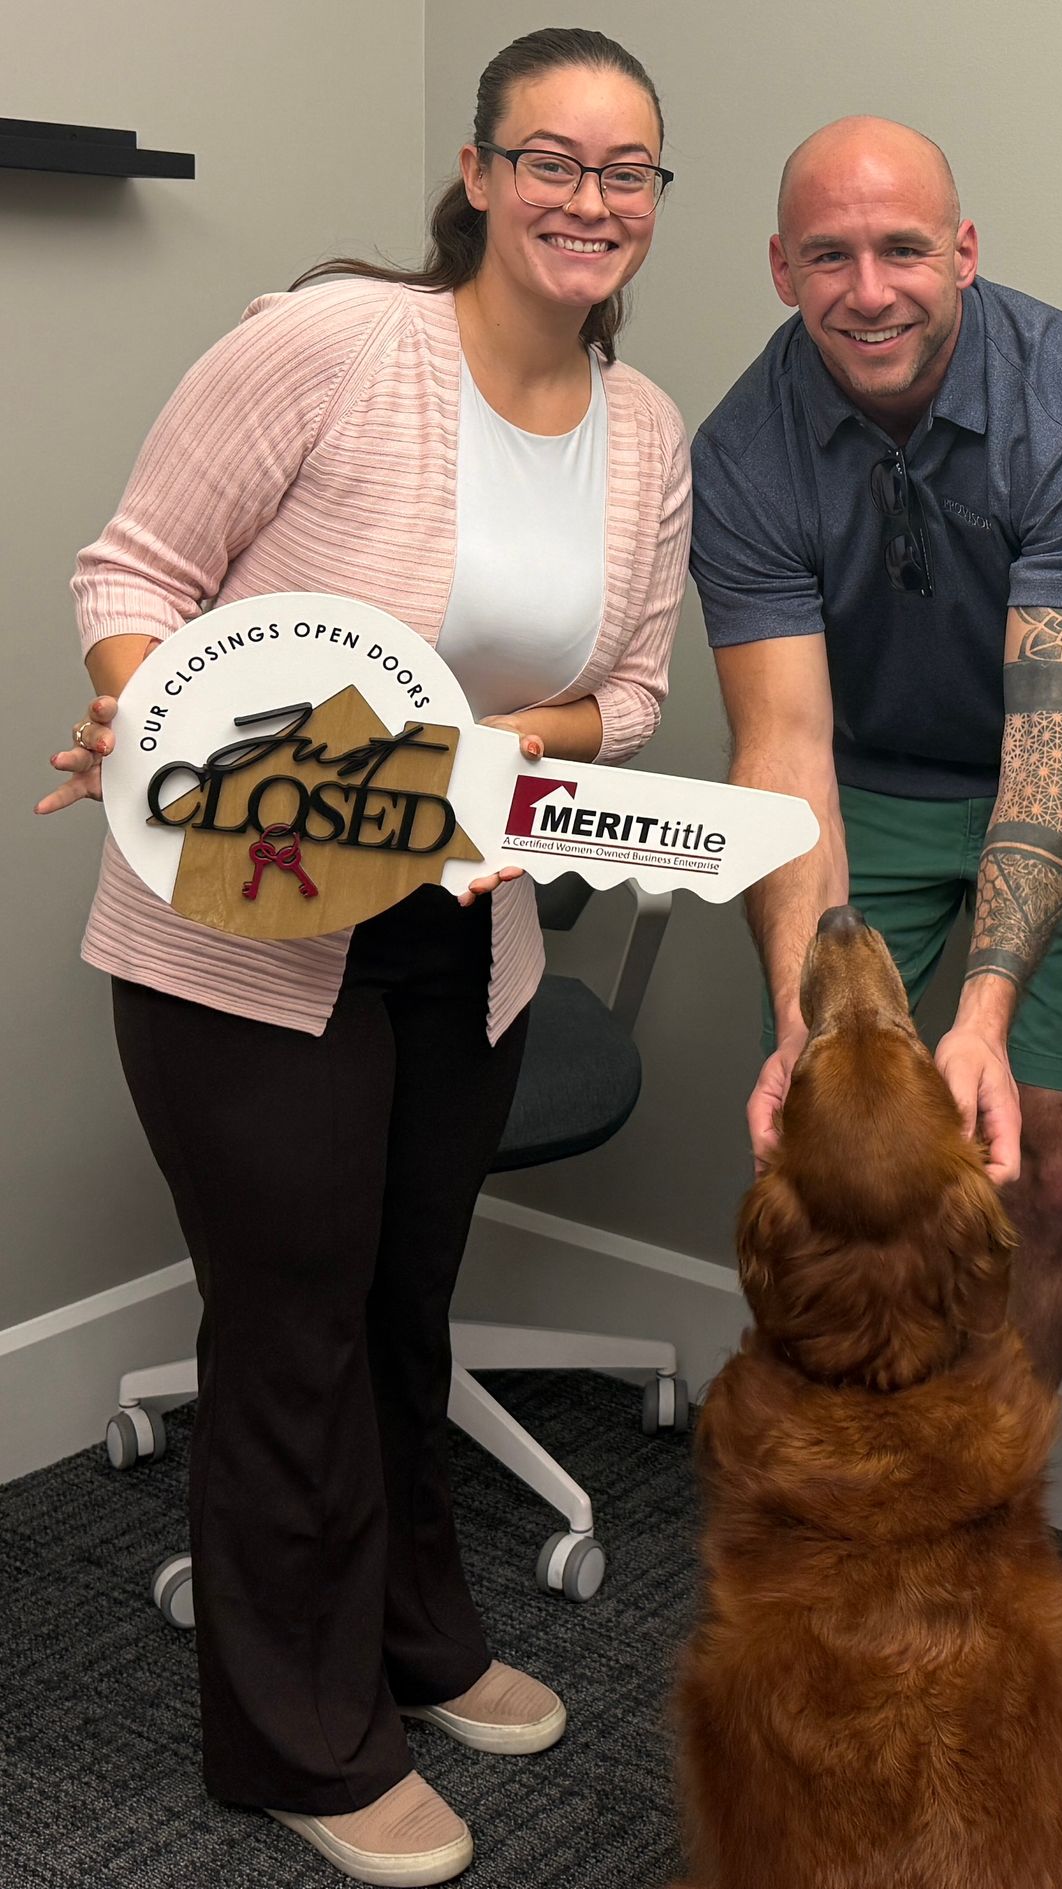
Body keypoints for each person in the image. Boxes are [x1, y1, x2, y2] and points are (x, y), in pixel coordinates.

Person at [35, 28, 689, 1884]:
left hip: (464, 931)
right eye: (551, 157)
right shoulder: (334, 342)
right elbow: (132, 573)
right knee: (296, 1323)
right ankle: (303, 1738)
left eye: (628, 169)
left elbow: (628, 692)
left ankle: (413, 1631)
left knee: (405, 1298)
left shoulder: (641, 430)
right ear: (478, 173)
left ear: (656, 203)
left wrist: (477, 754)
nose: (590, 196)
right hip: (247, 930)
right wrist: (171, 725)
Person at [692, 116, 1062, 1387]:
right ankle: (853, 1470)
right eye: (828, 256)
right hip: (869, 784)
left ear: (961, 251)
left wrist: (988, 1011)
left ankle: (986, 1487)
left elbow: (1055, 736)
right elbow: (784, 743)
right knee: (833, 1144)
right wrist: (804, 1026)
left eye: (903, 249)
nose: (869, 290)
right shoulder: (742, 450)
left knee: (1048, 1169)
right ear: (783, 271)